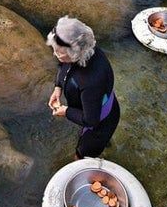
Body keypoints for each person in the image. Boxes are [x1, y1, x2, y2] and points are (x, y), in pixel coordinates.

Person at [47, 16, 120, 160]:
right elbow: (64, 65)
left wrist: (65, 111)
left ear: (75, 53)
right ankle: (104, 143)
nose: (55, 54)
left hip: (100, 121)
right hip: (99, 106)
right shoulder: (84, 51)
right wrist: (58, 87)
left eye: (59, 52)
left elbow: (91, 120)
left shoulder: (90, 81)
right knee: (100, 141)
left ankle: (99, 146)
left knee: (81, 156)